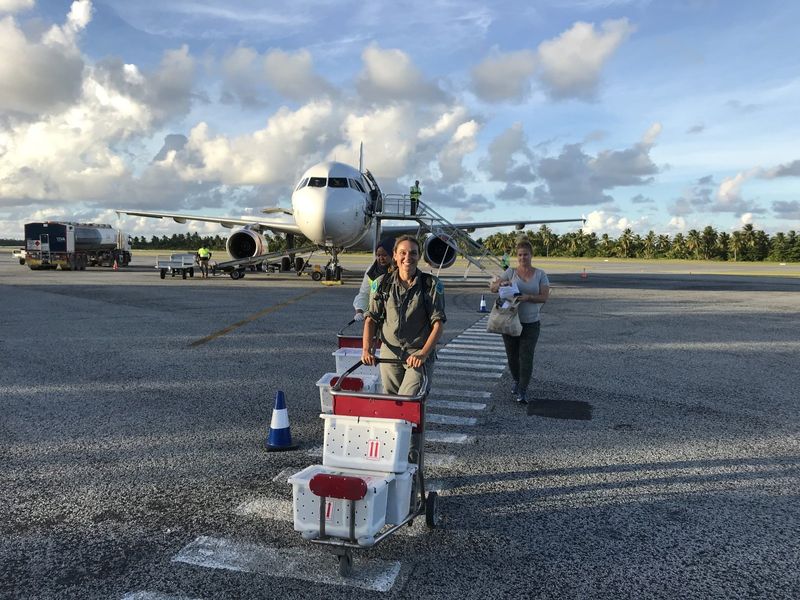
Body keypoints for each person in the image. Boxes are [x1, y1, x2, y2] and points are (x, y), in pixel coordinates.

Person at [361, 235, 445, 397]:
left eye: (413, 253)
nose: (408, 257)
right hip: (390, 353)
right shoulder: (381, 283)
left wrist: (423, 353)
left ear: (419, 256)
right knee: (391, 401)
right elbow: (370, 319)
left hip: (418, 353)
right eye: (403, 253)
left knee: (410, 399)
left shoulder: (431, 285)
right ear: (395, 255)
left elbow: (438, 324)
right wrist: (366, 350)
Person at [489, 239, 550, 405]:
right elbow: (493, 288)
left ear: (531, 255)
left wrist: (529, 297)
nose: (523, 258)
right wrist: (502, 283)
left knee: (526, 356)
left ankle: (523, 389)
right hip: (510, 321)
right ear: (517, 257)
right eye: (520, 255)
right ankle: (516, 380)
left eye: (526, 254)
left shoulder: (540, 274)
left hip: (531, 323)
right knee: (512, 357)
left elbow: (544, 296)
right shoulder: (511, 272)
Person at [352, 238, 394, 321]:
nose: (381, 258)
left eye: (385, 255)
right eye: (378, 255)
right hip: (374, 317)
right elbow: (364, 293)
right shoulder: (371, 271)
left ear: (393, 254)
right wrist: (359, 310)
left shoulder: (399, 271)